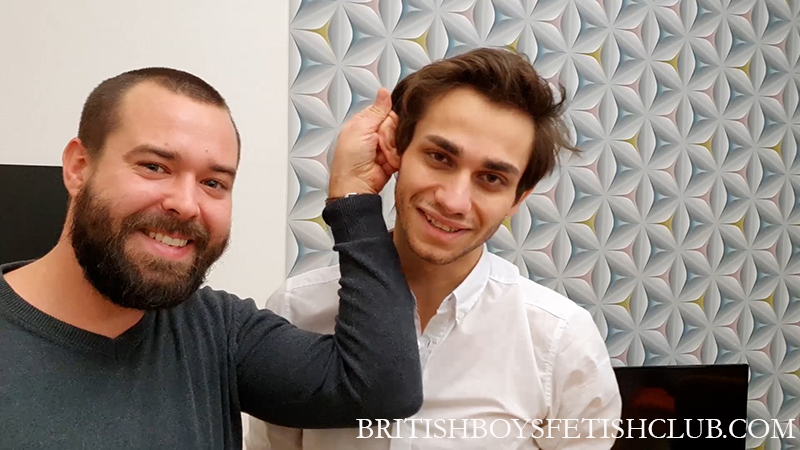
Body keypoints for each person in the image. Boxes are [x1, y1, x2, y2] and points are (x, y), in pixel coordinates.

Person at [0, 68, 423, 449]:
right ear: (78, 167)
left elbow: (382, 387)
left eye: (213, 183)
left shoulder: (219, 332)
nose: (187, 204)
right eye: (154, 166)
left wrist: (354, 196)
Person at [246, 48, 622, 449]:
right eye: (440, 157)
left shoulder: (560, 342)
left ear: (517, 198)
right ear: (396, 150)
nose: (454, 201)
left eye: (491, 178)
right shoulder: (297, 310)